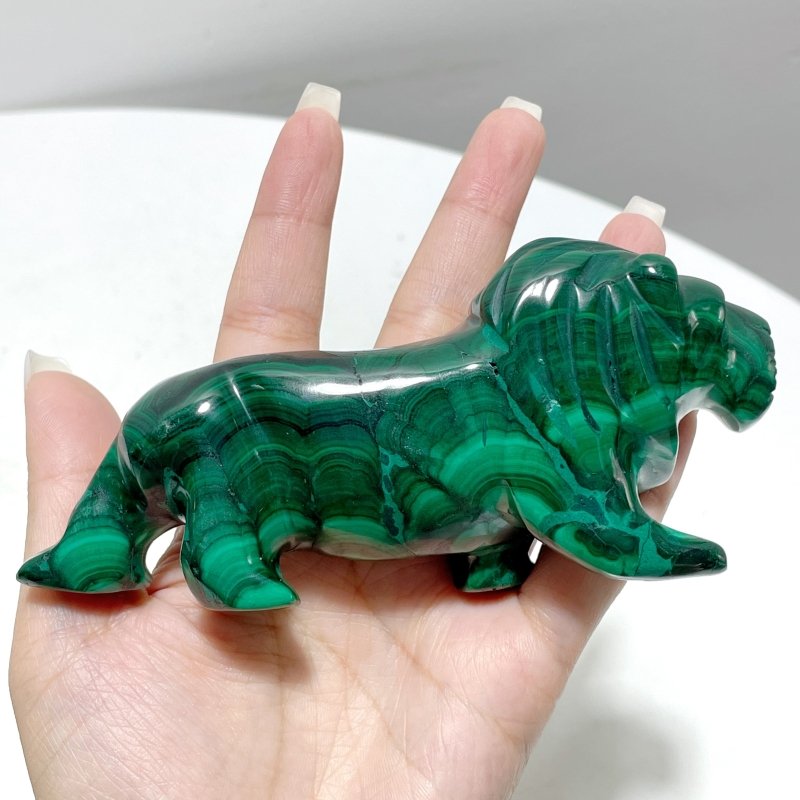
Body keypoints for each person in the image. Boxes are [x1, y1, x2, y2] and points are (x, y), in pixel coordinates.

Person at [10, 82, 695, 799]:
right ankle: (223, 556)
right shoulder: (513, 407)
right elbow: (557, 502)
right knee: (244, 468)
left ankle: (484, 565)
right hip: (234, 417)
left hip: (289, 425)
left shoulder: (517, 396)